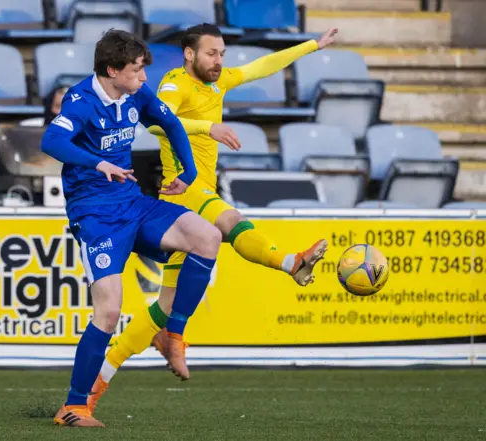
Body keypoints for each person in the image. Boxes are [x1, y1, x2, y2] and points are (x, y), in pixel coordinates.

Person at [88, 24, 338, 412]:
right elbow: (154, 121)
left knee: (163, 307)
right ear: (189, 55)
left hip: (195, 197)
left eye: (222, 53)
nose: (219, 60)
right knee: (230, 219)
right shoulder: (174, 85)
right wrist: (209, 127)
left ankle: (98, 383)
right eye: (211, 53)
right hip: (182, 192)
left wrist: (311, 45)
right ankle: (291, 262)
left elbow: (262, 67)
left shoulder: (217, 82)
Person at [40, 29, 223, 428]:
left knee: (207, 237)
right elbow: (51, 141)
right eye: (137, 70)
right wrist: (96, 163)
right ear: (112, 70)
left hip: (133, 203)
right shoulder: (82, 100)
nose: (144, 79)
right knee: (108, 311)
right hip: (95, 214)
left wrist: (189, 173)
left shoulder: (135, 95)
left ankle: (171, 334)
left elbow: (172, 124)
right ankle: (74, 407)